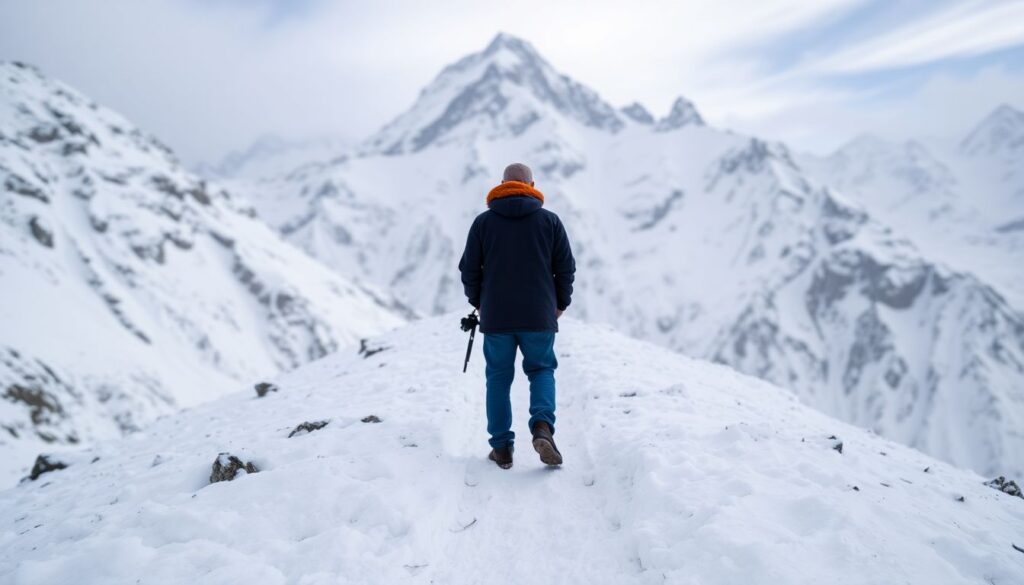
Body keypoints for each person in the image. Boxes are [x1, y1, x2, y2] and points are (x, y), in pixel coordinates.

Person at [458, 163, 576, 469]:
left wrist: (478, 302)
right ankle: (542, 427)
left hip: (497, 316)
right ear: (532, 184)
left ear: (502, 184)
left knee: (498, 378)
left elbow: (469, 270)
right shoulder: (549, 221)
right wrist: (560, 303)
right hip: (539, 315)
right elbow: (565, 268)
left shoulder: (483, 223)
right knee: (541, 371)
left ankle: (502, 448)